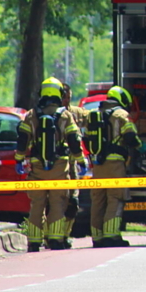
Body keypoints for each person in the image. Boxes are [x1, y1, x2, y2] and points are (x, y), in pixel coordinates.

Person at [14, 77, 85, 252]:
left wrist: (19, 160)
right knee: (57, 204)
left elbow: (22, 140)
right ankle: (55, 239)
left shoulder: (31, 115)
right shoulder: (65, 115)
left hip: (37, 167)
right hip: (59, 167)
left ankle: (34, 241)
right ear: (59, 94)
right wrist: (81, 161)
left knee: (37, 205)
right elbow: (74, 140)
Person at [87, 86, 146, 247]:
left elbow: (87, 139)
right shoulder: (121, 115)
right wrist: (142, 147)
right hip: (115, 165)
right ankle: (111, 236)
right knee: (115, 199)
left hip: (98, 165)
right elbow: (130, 136)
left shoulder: (94, 114)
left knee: (98, 201)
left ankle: (97, 237)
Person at [59, 82, 92, 239]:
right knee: (54, 203)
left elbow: (94, 119)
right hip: (55, 166)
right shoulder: (49, 115)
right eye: (64, 98)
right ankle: (51, 236)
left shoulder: (77, 113)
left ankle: (65, 235)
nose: (66, 101)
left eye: (69, 98)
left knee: (73, 202)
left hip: (73, 167)